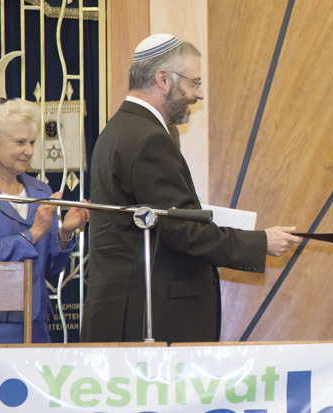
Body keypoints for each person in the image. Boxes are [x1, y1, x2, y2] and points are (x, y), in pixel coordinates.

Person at [82, 33, 301, 344]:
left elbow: (165, 217)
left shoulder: (123, 127)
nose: (199, 94)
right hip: (146, 316)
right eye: (194, 83)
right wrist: (259, 242)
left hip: (128, 309)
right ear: (163, 79)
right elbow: (182, 229)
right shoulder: (148, 138)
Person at [0, 98, 90, 344]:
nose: (29, 150)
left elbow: (47, 268)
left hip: (35, 326)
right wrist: (33, 233)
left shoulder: (40, 191)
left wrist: (65, 234)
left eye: (32, 142)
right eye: (20, 142)